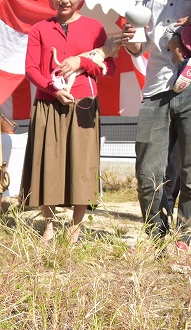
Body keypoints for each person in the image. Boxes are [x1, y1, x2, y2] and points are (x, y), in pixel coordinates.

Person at [20, 0, 116, 244]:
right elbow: (31, 69)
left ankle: (76, 226)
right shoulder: (39, 28)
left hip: (84, 103)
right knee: (49, 163)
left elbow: (110, 66)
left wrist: (80, 62)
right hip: (48, 103)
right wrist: (53, 89)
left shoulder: (94, 28)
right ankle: (49, 226)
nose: (65, 0)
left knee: (82, 164)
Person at [121, 2, 191, 241]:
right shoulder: (144, 3)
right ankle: (157, 238)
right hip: (155, 89)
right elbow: (139, 47)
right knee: (147, 174)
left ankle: (184, 240)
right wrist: (131, 37)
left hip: (189, 86)